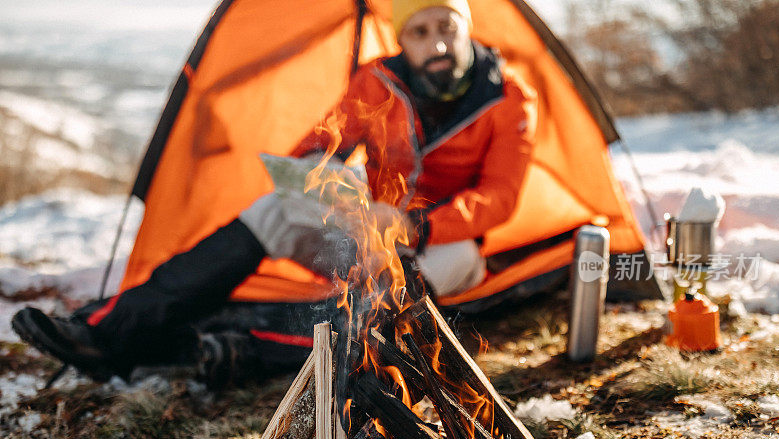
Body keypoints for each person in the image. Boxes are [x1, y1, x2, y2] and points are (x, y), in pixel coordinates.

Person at [11, 0, 537, 387]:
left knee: (393, 303)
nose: (437, 43)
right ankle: (110, 332)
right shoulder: (377, 80)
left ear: (466, 28)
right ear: (403, 40)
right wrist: (317, 175)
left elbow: (500, 198)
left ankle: (234, 351)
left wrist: (418, 226)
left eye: (448, 27)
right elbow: (316, 145)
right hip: (370, 235)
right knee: (273, 210)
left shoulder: (510, 97)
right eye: (420, 31)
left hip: (442, 245)